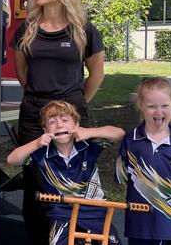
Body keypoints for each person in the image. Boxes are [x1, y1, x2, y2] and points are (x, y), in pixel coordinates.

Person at [10, 0, 105, 245]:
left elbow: (96, 74)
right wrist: (42, 102)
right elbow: (22, 73)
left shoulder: (83, 29)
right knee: (37, 187)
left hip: (71, 116)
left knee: (73, 183)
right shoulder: (27, 29)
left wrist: (73, 107)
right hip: (33, 117)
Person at [7, 101, 123, 245]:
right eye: (52, 121)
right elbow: (12, 160)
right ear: (45, 129)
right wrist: (36, 143)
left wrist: (90, 132)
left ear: (76, 125)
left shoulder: (89, 147)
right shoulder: (41, 154)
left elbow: (119, 134)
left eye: (65, 120)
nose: (59, 125)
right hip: (62, 214)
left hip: (96, 212)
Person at [116, 77, 171, 244]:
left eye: (164, 105)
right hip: (140, 227)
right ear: (141, 106)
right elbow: (122, 178)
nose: (158, 112)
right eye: (151, 106)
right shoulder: (130, 141)